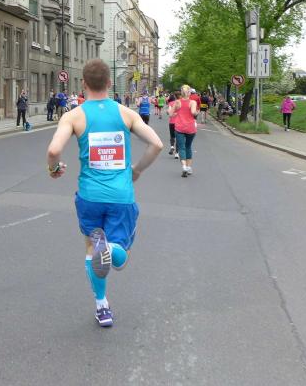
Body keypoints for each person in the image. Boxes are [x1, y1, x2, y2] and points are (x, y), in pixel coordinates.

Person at [46, 59, 163, 327]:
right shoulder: (126, 114)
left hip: (89, 196)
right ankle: (111, 248)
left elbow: (54, 150)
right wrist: (137, 170)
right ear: (110, 83)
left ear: (83, 84)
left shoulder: (73, 116)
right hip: (121, 196)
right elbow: (156, 144)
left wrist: (53, 169)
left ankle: (102, 306)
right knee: (120, 258)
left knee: (92, 249)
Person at [171, 85, 199, 177]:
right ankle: (188, 167)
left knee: (181, 147)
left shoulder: (177, 102)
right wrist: (197, 112)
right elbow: (193, 112)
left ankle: (184, 166)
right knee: (188, 146)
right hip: (190, 128)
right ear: (189, 93)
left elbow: (170, 114)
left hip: (179, 127)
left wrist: (176, 113)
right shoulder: (193, 102)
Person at [166, 93, 179, 159]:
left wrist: (170, 113)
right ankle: (176, 154)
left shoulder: (170, 103)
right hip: (179, 123)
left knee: (172, 136)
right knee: (178, 137)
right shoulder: (180, 103)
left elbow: (168, 112)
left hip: (172, 122)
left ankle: (172, 147)